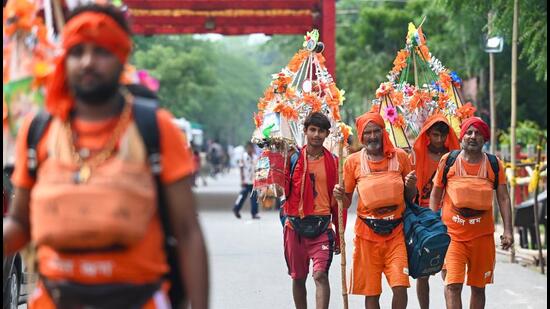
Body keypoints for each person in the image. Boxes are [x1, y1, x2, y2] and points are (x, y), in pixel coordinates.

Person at [2, 4, 208, 308]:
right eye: (77, 52)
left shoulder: (155, 128)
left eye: (102, 52)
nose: (88, 62)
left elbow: (188, 231)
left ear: (122, 55)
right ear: (64, 59)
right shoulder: (38, 130)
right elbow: (20, 223)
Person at [334, 111, 417, 309]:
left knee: (400, 286)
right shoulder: (353, 162)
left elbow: (409, 197)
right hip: (366, 237)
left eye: (376, 131)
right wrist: (339, 196)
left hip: (396, 234)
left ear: (383, 132)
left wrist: (411, 185)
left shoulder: (401, 157)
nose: (372, 136)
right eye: (367, 132)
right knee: (371, 293)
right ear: (361, 136)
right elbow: (345, 203)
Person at [430, 117, 513, 309]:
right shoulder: (448, 161)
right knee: (453, 285)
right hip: (453, 237)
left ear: (485, 139)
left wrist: (508, 230)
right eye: (469, 132)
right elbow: (435, 196)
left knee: (478, 288)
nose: (473, 137)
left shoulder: (494, 164)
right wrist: (432, 227)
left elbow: (503, 198)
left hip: (482, 238)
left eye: (478, 133)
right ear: (462, 136)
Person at [282, 112, 344, 309]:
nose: (316, 134)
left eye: (321, 131)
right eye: (313, 130)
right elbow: (280, 190)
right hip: (295, 227)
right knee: (298, 278)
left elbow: (338, 202)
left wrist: (340, 233)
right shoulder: (292, 159)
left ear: (327, 134)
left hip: (322, 227)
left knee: (320, 275)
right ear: (305, 131)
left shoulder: (334, 162)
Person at [409, 114, 460, 309]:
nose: (439, 140)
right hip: (423, 218)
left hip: (449, 216)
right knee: (423, 271)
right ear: (428, 134)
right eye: (435, 135)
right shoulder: (416, 155)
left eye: (443, 135)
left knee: (449, 270)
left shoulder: (454, 157)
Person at [233, 142, 260, 219]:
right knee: (242, 196)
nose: (250, 149)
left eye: (251, 148)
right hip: (246, 180)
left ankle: (254, 213)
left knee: (254, 197)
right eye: (248, 148)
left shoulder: (255, 157)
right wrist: (242, 179)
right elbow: (241, 168)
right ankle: (236, 208)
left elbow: (257, 168)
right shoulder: (243, 157)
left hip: (253, 181)